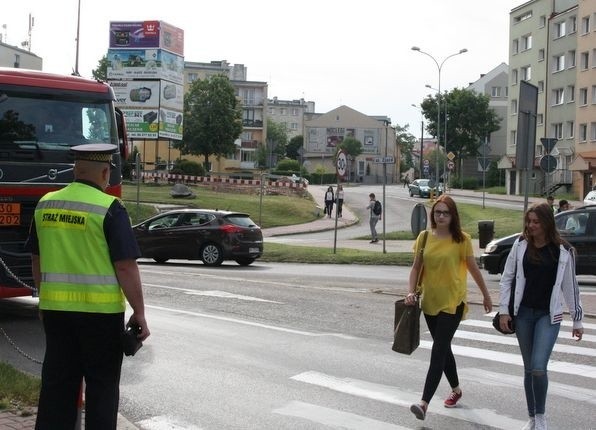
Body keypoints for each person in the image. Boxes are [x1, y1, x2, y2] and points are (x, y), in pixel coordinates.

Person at [28, 144, 150, 430]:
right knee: (101, 390)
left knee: (57, 387)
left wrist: (44, 299)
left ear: (76, 169)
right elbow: (125, 266)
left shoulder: (45, 204)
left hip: (56, 312)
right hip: (100, 316)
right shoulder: (110, 208)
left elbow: (36, 258)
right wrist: (139, 312)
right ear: (105, 172)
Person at [405, 195, 492, 421]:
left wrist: (485, 295)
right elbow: (415, 268)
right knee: (444, 350)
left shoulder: (461, 239)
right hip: (430, 302)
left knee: (438, 351)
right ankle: (456, 390)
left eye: (445, 212)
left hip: (453, 302)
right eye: (437, 212)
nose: (441, 216)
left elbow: (473, 270)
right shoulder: (424, 238)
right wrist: (410, 291)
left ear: (453, 216)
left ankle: (423, 403)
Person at [498, 203, 583, 430]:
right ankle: (532, 417)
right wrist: (505, 311)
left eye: (536, 222)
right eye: (529, 221)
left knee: (538, 367)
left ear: (546, 223)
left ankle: (542, 416)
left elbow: (570, 287)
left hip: (548, 315)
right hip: (523, 313)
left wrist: (577, 319)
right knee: (528, 369)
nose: (531, 226)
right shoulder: (520, 245)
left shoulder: (562, 251)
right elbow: (507, 278)